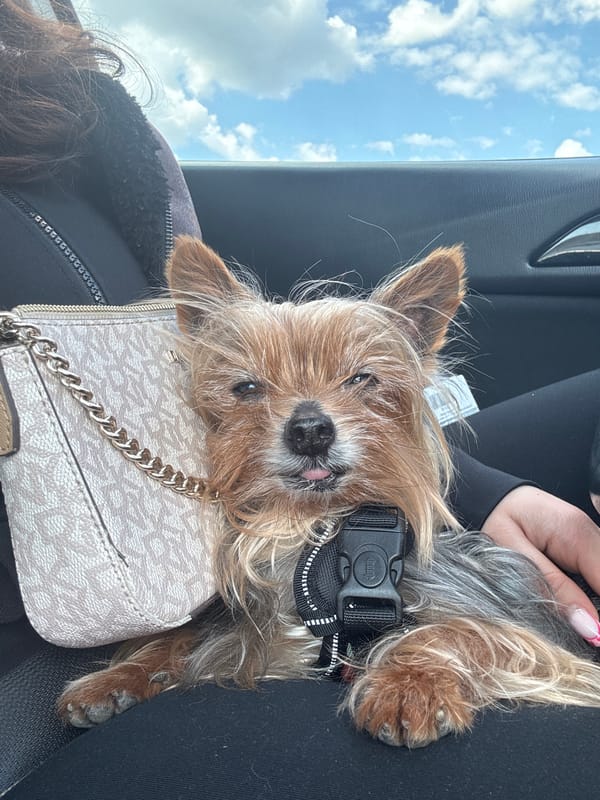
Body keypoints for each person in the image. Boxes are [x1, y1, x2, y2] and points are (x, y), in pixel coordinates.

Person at [1, 2, 599, 798]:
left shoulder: (84, 107)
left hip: (372, 528)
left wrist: (482, 492)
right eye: (249, 388)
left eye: (358, 379)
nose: (307, 418)